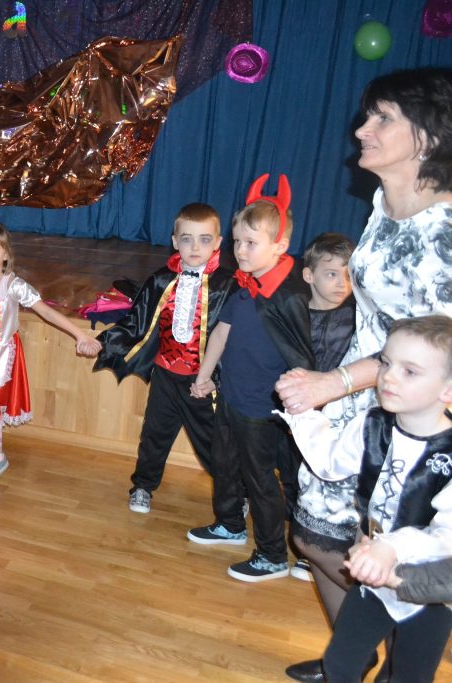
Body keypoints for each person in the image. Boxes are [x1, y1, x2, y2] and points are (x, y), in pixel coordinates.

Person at [274, 68, 452, 683]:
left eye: (382, 119)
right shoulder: (385, 201)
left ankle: (396, 656)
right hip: (361, 390)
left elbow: (428, 353)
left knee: (390, 554)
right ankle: (353, 653)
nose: (361, 130)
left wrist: (335, 384)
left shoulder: (444, 237)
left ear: (429, 137)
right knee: (316, 538)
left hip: (409, 409)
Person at [278, 315, 452, 683]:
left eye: (410, 371)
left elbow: (446, 535)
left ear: (448, 390)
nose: (388, 377)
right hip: (372, 580)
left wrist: (391, 547)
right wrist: (302, 413)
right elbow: (331, 462)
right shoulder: (373, 423)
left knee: (409, 676)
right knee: (340, 663)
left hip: (427, 591)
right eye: (386, 363)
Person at [188, 174, 315, 582]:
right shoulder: (245, 286)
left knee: (261, 480)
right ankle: (230, 523)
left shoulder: (289, 296)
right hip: (232, 396)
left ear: (280, 246)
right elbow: (221, 332)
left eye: (250, 243)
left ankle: (273, 554)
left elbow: (304, 355)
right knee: (225, 464)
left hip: (261, 408)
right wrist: (205, 376)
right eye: (237, 241)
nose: (240, 250)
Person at [92, 204, 234, 511]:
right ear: (174, 241)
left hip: (202, 381)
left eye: (204, 239)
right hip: (165, 375)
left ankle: (233, 496)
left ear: (218, 243)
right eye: (187, 239)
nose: (195, 247)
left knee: (213, 442)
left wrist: (215, 379)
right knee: (154, 435)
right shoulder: (161, 280)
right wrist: (104, 343)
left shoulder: (227, 286)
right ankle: (143, 485)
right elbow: (137, 321)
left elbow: (232, 339)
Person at [0, 223, 102, 485]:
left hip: (1, 359)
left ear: (6, 254)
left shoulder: (13, 285)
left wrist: (80, 335)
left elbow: (46, 311)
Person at [285, 233, 356, 592]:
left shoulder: (357, 318)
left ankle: (307, 552)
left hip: (333, 417)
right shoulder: (291, 312)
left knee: (316, 477)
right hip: (293, 409)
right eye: (331, 274)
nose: (341, 283)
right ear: (309, 275)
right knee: (289, 474)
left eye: (348, 274)